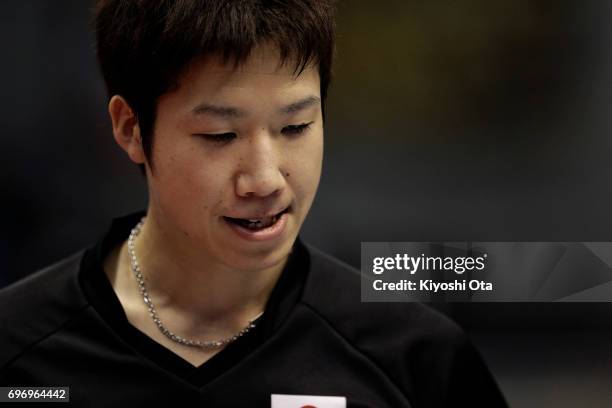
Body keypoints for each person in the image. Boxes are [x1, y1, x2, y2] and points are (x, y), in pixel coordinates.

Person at [0, 1, 507, 406]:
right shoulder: (19, 345)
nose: (265, 179)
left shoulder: (412, 354)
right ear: (130, 129)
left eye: (295, 127)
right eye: (220, 135)